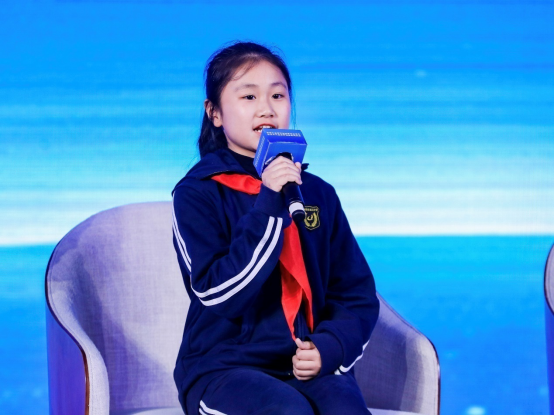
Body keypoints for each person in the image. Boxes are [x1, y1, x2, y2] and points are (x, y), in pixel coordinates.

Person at [172, 41, 380, 416]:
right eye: (249, 96)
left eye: (278, 96)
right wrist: (269, 202)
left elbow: (355, 293)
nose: (266, 108)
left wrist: (329, 348)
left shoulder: (317, 193)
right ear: (214, 113)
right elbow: (218, 293)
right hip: (223, 369)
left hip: (303, 365)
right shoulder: (197, 193)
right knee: (288, 411)